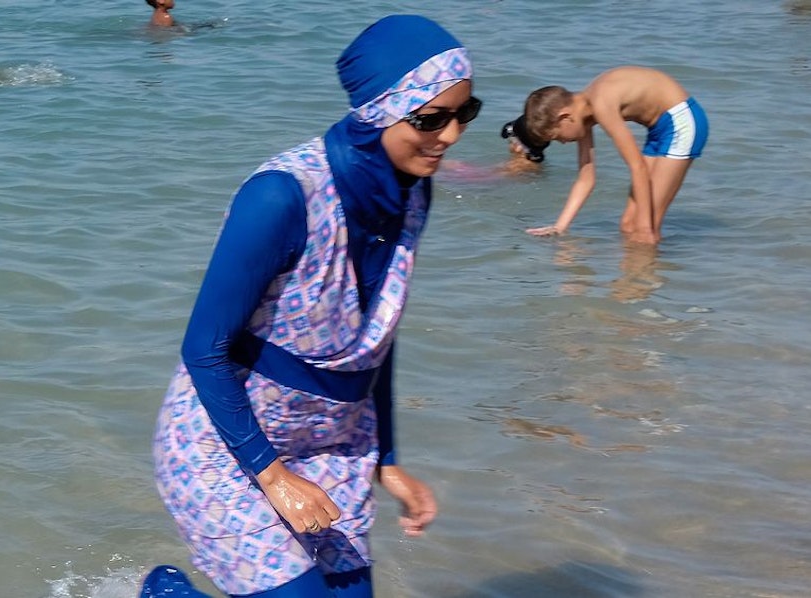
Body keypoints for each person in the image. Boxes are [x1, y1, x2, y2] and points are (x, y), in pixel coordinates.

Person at [149, 14, 478, 598]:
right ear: (378, 110)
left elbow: (375, 338)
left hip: (334, 445)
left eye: (464, 113)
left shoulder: (411, 193)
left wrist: (387, 461)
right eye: (431, 119)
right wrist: (273, 478)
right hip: (226, 445)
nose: (451, 135)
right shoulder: (282, 196)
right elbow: (204, 349)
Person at [521, 66, 708, 244]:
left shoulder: (601, 104)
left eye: (557, 136)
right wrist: (559, 227)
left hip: (682, 120)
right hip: (658, 129)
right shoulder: (582, 115)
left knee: (647, 226)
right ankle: (644, 265)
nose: (562, 142)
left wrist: (644, 228)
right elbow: (586, 179)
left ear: (565, 117)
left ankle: (648, 263)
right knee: (628, 225)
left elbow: (637, 167)